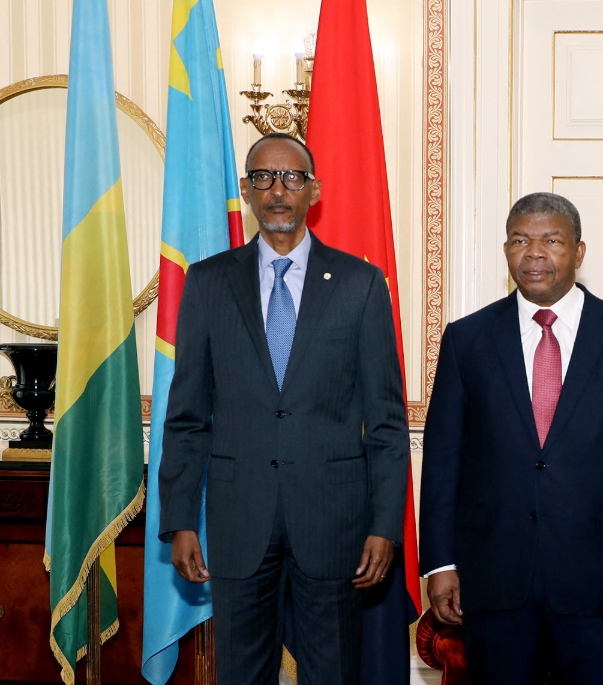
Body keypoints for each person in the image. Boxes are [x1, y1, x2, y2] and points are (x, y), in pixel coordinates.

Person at [158, 132, 410, 684]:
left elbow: (388, 422)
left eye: (292, 177)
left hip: (334, 524)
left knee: (331, 674)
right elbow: (186, 416)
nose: (278, 190)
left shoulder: (360, 285)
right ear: (247, 191)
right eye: (264, 178)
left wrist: (385, 526)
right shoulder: (207, 282)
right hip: (238, 521)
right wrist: (178, 518)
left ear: (313, 191)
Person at [419, 192, 603, 683]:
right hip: (491, 578)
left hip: (596, 581)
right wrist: (440, 564)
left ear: (578, 252)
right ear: (506, 250)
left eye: (551, 240)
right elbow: (444, 461)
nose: (534, 253)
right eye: (520, 240)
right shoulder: (465, 340)